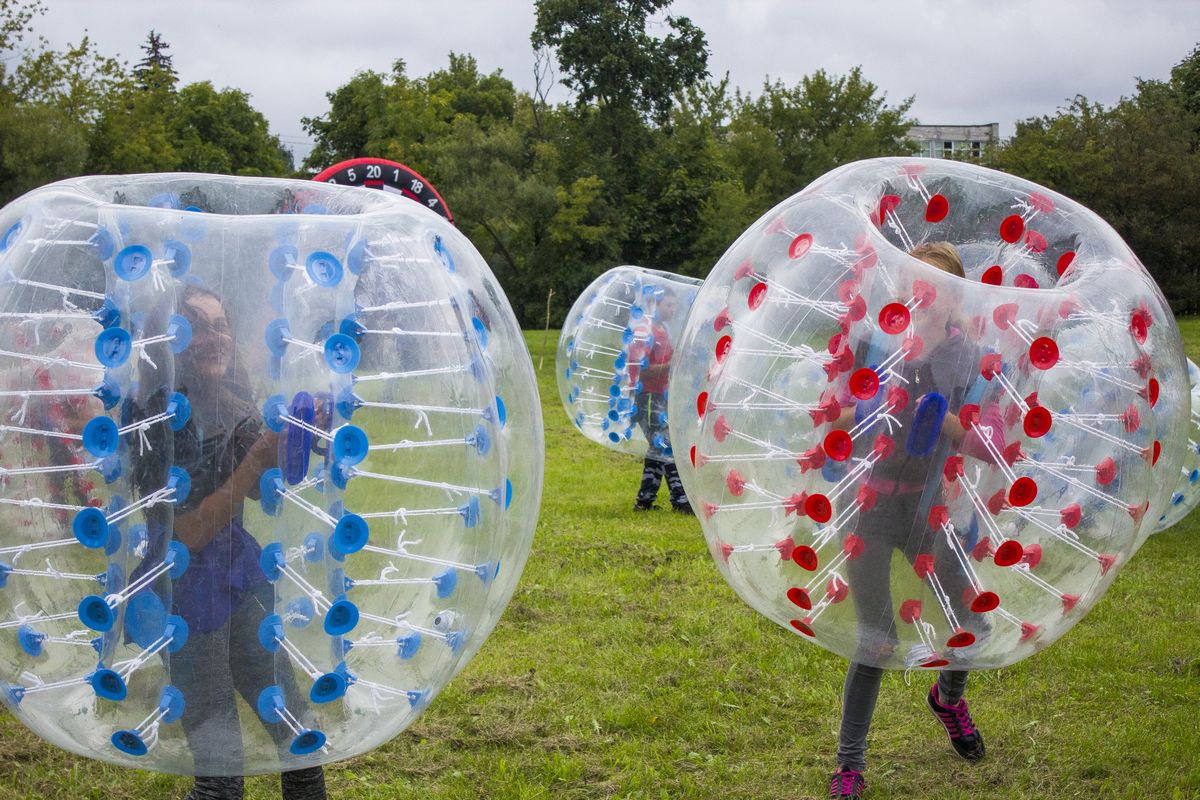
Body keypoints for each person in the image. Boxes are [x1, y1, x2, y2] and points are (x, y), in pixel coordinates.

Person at [130, 284, 327, 800]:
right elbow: (187, 532)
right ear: (169, 339)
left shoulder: (233, 400)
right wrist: (257, 460)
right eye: (196, 326)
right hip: (184, 593)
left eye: (221, 325)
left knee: (301, 739)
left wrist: (303, 437)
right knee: (222, 775)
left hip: (239, 572)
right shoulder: (154, 417)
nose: (214, 337)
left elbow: (265, 486)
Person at [829, 242, 994, 799]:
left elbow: (989, 445)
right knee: (874, 643)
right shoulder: (879, 342)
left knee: (975, 618)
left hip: (929, 508)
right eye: (914, 281)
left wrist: (942, 421)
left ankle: (947, 700)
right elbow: (833, 417)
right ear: (901, 289)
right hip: (873, 507)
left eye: (939, 285)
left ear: (956, 299)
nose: (924, 293)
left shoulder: (968, 357)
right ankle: (850, 766)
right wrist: (875, 407)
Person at [629, 288, 691, 514]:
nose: (672, 310)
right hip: (645, 398)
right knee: (666, 446)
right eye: (668, 305)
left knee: (658, 448)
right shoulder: (645, 333)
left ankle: (644, 501)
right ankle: (681, 500)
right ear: (654, 305)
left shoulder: (664, 329)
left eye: (674, 305)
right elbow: (639, 371)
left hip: (660, 397)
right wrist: (669, 366)